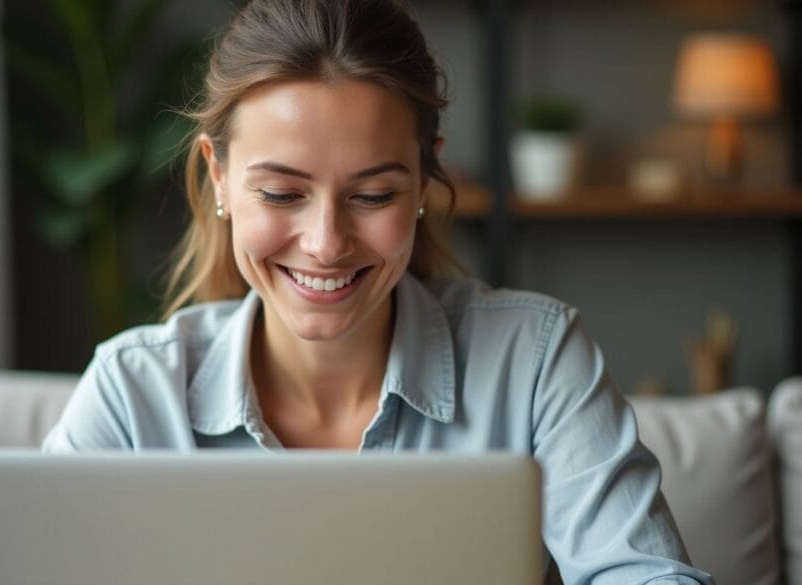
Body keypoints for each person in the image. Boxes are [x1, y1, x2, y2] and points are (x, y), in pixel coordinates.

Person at [42, 0, 713, 583]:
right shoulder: (132, 394)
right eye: (282, 193)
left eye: (373, 195)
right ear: (218, 176)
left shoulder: (533, 362)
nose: (327, 242)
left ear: (423, 181)